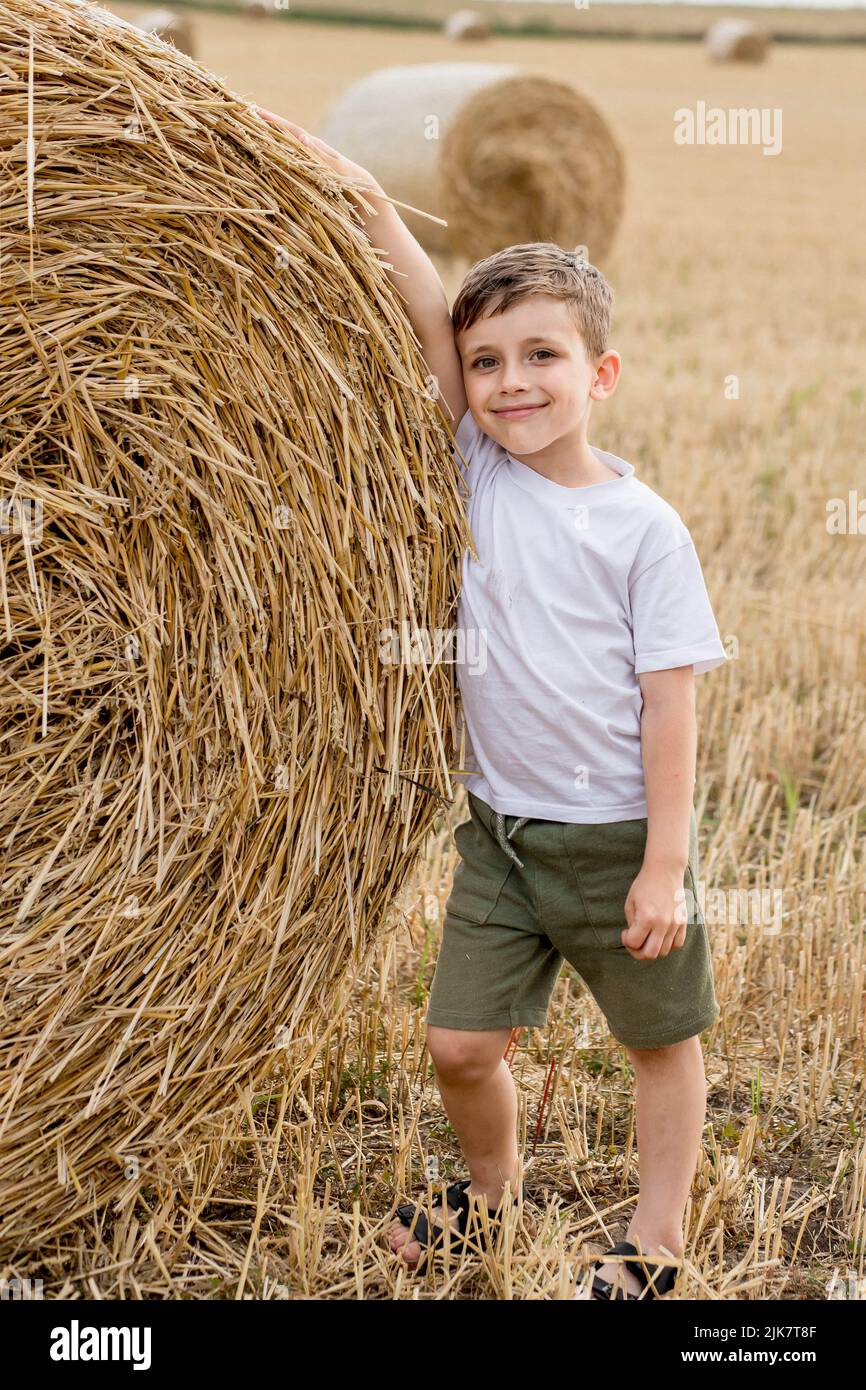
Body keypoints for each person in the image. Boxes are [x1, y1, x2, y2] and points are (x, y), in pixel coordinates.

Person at [252, 106, 727, 1300]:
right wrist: (356, 187)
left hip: (616, 835)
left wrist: (663, 865)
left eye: (541, 357)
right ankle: (490, 1191)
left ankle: (657, 1238)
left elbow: (669, 707)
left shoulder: (643, 531)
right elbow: (424, 302)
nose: (510, 382)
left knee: (658, 1044)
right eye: (486, 364)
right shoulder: (474, 464)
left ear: (599, 374)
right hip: (501, 835)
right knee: (458, 1044)